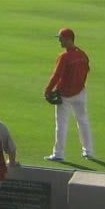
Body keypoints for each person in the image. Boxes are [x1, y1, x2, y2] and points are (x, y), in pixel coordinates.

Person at [44, 26, 94, 161]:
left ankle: (58, 154)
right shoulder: (83, 54)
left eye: (60, 39)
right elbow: (87, 71)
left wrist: (47, 90)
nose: (59, 41)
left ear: (67, 39)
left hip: (65, 96)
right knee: (83, 121)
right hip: (80, 93)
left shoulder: (64, 57)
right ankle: (88, 151)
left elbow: (56, 75)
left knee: (61, 124)